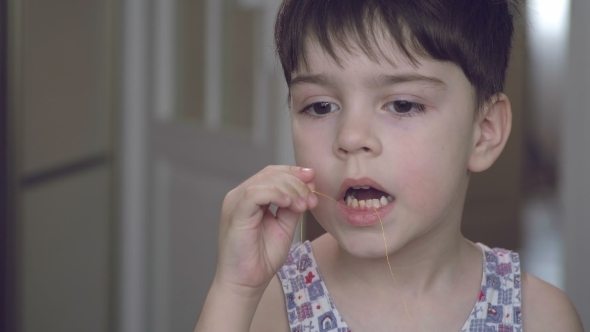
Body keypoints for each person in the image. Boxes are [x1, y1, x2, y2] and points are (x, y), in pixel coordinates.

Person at [194, 0, 584, 331]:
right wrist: (235, 290)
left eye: (402, 104)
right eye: (320, 106)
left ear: (483, 133)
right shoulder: (268, 302)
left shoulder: (539, 315)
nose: (350, 137)